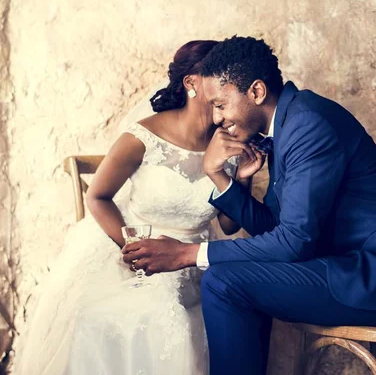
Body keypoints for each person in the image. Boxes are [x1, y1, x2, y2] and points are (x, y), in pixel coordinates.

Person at [123, 36, 376, 375]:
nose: (216, 118)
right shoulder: (287, 123)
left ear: (256, 92)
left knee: (223, 282)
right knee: (227, 279)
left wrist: (188, 253)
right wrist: (222, 178)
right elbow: (280, 229)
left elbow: (293, 242)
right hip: (357, 268)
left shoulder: (308, 123)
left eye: (220, 104)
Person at [13, 40, 256, 375]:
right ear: (191, 83)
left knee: (209, 315)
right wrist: (132, 247)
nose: (227, 85)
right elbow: (97, 196)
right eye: (218, 76)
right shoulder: (144, 137)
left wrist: (241, 180)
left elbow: (229, 227)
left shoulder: (230, 139)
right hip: (134, 248)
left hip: (194, 256)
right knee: (121, 313)